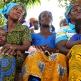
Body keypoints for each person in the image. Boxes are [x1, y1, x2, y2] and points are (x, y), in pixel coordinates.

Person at [22, 11, 67, 81]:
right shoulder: (32, 35)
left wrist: (52, 50)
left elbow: (62, 49)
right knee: (35, 54)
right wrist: (35, 48)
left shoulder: (58, 35)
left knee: (60, 57)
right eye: (44, 16)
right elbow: (26, 49)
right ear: (40, 20)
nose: (47, 17)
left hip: (54, 59)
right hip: (37, 59)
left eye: (49, 16)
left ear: (52, 20)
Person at [0, 2, 32, 80]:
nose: (19, 11)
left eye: (21, 11)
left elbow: (26, 46)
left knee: (6, 58)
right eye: (16, 9)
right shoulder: (1, 28)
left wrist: (13, 47)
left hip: (16, 57)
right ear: (8, 12)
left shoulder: (24, 29)